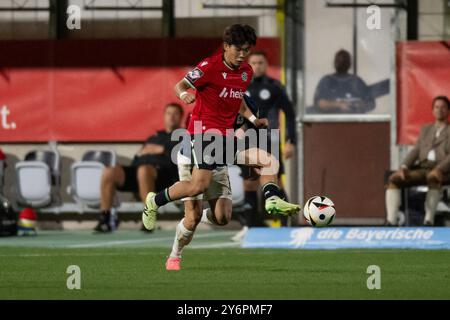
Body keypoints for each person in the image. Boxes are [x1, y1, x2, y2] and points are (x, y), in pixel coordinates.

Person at [141, 24, 300, 269]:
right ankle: (155, 203)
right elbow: (180, 86)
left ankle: (271, 198)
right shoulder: (209, 66)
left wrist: (252, 119)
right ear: (226, 46)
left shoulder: (246, 72)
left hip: (225, 140)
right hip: (200, 135)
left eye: (246, 50)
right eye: (238, 49)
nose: (242, 54)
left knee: (229, 210)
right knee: (198, 191)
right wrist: (185, 96)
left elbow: (237, 103)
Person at [231, 51, 297, 242]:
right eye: (253, 62)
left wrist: (290, 141)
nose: (257, 66)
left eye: (261, 62)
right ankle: (249, 227)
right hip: (247, 140)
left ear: (267, 65)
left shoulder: (274, 87)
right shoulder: (240, 86)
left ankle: (286, 225)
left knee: (275, 180)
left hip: (270, 139)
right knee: (249, 182)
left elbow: (290, 113)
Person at [94, 103, 183, 233]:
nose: (172, 117)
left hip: (165, 177)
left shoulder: (182, 136)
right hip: (141, 173)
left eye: (175, 114)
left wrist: (161, 149)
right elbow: (138, 157)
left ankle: (148, 218)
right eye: (169, 113)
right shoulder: (154, 137)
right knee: (110, 171)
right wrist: (146, 152)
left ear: (181, 117)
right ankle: (105, 218)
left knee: (143, 170)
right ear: (164, 116)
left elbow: (178, 159)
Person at [385, 96, 450, 226]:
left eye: (443, 107)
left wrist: (439, 169)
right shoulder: (426, 129)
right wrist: (403, 167)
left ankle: (428, 221)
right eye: (436, 107)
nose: (439, 110)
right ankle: (391, 221)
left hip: (443, 170)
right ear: (432, 110)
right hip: (423, 167)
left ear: (448, 110)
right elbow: (416, 150)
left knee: (433, 177)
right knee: (394, 179)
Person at [312, 49, 375, 114]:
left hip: (354, 122)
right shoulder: (326, 81)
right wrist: (338, 105)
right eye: (339, 61)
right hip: (332, 122)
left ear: (349, 64)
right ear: (335, 63)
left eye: (344, 61)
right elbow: (319, 103)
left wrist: (360, 105)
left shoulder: (357, 81)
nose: (341, 63)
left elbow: (371, 103)